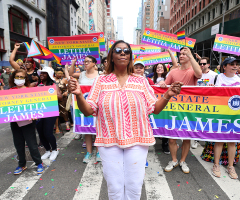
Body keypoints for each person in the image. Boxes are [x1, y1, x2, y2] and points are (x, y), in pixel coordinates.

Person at [68, 40, 183, 199]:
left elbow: (155, 108)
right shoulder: (101, 81)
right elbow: (88, 111)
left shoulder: (141, 81)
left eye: (126, 51)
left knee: (134, 186)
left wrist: (167, 95)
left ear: (130, 56)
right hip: (108, 140)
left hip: (137, 139)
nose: (123, 53)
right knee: (114, 187)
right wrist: (79, 95)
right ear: (112, 56)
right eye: (118, 50)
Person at [159, 47, 202, 174]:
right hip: (173, 109)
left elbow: (199, 74)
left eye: (185, 53)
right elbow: (165, 87)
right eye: (181, 54)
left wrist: (192, 56)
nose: (182, 55)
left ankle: (183, 160)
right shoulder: (173, 72)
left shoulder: (193, 70)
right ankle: (174, 160)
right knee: (172, 138)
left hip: (189, 109)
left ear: (190, 55)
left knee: (186, 138)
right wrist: (162, 82)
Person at [207, 57, 240, 179]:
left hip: (234, 115)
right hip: (220, 113)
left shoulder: (239, 79)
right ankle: (216, 165)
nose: (235, 66)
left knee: (232, 141)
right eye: (231, 64)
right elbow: (214, 95)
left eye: (236, 64)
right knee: (219, 139)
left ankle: (230, 167)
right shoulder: (218, 77)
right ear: (224, 67)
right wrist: (211, 88)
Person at [8, 69, 44, 175]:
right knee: (18, 144)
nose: (19, 79)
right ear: (13, 78)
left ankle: (39, 163)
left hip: (28, 122)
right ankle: (22, 165)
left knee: (32, 145)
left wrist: (35, 116)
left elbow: (37, 107)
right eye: (17, 77)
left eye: (21, 77)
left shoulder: (30, 91)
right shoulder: (10, 91)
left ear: (25, 78)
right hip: (15, 122)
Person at [69, 56, 100, 163]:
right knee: (87, 129)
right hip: (84, 105)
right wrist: (73, 62)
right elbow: (70, 74)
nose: (85, 63)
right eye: (84, 61)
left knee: (98, 129)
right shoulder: (81, 74)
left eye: (88, 61)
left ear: (94, 63)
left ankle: (98, 152)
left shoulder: (101, 75)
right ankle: (89, 152)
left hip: (97, 106)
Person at [33, 66, 63, 161]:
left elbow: (60, 98)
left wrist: (49, 92)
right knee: (40, 133)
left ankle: (54, 150)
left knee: (48, 133)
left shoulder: (54, 85)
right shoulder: (36, 85)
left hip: (50, 111)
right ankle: (47, 150)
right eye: (41, 73)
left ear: (49, 75)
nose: (41, 74)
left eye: (44, 73)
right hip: (38, 111)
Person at [54, 67, 70, 133]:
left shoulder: (64, 80)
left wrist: (67, 92)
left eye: (61, 73)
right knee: (55, 112)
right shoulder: (52, 79)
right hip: (54, 98)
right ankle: (56, 126)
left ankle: (67, 124)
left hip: (63, 98)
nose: (59, 74)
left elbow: (68, 87)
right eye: (58, 73)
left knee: (64, 112)